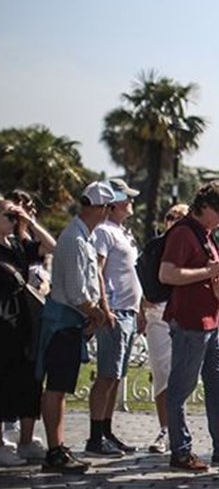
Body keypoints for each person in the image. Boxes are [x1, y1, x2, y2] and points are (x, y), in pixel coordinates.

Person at [39, 181, 116, 473]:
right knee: (56, 388)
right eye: (108, 207)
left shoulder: (82, 237)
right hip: (64, 322)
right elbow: (75, 292)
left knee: (61, 388)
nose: (108, 213)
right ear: (99, 208)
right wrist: (96, 314)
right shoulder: (74, 239)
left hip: (71, 322)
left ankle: (58, 447)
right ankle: (54, 450)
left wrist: (93, 315)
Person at [160, 180, 219, 472]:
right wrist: (208, 271)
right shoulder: (183, 232)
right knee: (181, 388)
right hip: (191, 323)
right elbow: (167, 273)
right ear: (205, 207)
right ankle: (180, 451)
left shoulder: (205, 233)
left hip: (209, 323)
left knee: (218, 386)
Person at [86, 178, 143, 457]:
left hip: (128, 311)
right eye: (127, 198)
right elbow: (98, 269)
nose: (131, 202)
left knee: (117, 376)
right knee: (107, 375)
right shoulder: (104, 232)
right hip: (115, 311)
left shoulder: (122, 232)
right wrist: (105, 307)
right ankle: (95, 436)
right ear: (115, 202)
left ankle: (106, 431)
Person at [0, 197, 54, 466]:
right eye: (7, 215)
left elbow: (50, 246)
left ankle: (25, 441)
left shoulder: (17, 244)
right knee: (4, 382)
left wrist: (29, 222)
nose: (12, 220)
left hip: (22, 323)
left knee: (27, 379)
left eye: (13, 216)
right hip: (3, 320)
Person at [142, 203, 188, 454]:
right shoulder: (155, 246)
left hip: (183, 314)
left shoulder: (192, 245)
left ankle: (178, 429)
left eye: (180, 217)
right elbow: (143, 276)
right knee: (162, 373)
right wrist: (142, 306)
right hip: (157, 314)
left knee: (181, 375)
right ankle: (165, 429)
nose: (173, 221)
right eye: (170, 217)